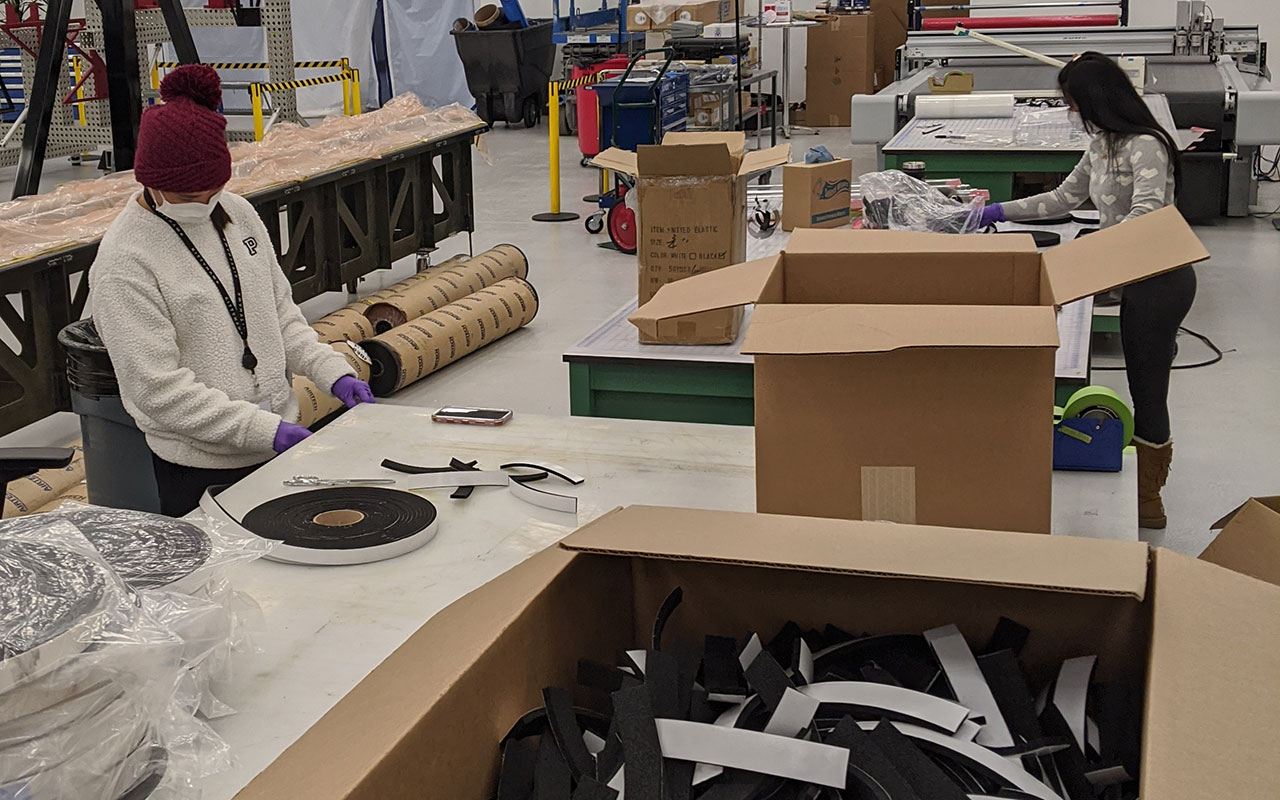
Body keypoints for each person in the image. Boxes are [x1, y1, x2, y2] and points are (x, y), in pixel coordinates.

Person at [90, 65, 375, 516]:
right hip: (202, 470)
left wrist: (330, 371)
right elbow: (157, 391)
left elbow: (280, 317)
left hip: (274, 441)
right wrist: (260, 429)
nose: (204, 205)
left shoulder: (237, 214)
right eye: (189, 197)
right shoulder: (126, 263)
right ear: (150, 181)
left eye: (214, 190)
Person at [979, 52, 1195, 530]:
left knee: (1147, 385)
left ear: (1097, 100)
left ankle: (1149, 498)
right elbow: (1063, 199)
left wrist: (1092, 256)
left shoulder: (1146, 145)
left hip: (1160, 279)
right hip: (1120, 269)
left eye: (1073, 103)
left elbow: (1147, 212)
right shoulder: (1102, 144)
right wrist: (995, 212)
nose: (1071, 112)